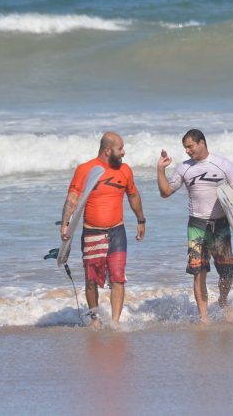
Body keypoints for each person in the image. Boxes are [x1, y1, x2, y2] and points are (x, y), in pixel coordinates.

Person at [157, 129, 233, 324]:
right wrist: (160, 170)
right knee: (198, 272)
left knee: (227, 271)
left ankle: (222, 301)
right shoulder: (183, 168)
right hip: (196, 225)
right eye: (185, 147)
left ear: (202, 143)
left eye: (190, 146)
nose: (187, 151)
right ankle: (204, 317)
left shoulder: (222, 164)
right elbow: (166, 192)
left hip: (220, 225)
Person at [61, 132, 145, 329]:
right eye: (120, 149)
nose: (123, 153)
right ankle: (95, 320)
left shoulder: (125, 170)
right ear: (108, 151)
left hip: (117, 232)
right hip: (92, 233)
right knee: (91, 280)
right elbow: (72, 199)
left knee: (118, 277)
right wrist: (66, 223)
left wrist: (141, 220)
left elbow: (133, 196)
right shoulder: (85, 170)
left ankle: (115, 322)